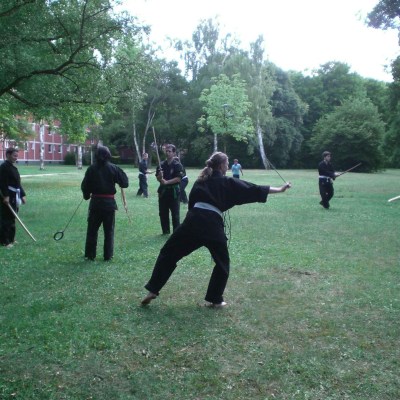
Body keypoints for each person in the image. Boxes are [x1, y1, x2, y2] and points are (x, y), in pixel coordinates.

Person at [141, 151, 291, 308]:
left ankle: (153, 290)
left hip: (193, 221)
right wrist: (280, 189)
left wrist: (192, 224)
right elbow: (253, 189)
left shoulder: (200, 181)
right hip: (212, 225)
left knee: (168, 253)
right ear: (221, 166)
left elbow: (192, 204)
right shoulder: (227, 182)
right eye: (227, 164)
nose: (228, 167)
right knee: (222, 263)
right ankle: (215, 299)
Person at [81, 146, 129, 261]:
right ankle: (108, 255)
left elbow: (85, 186)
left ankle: (90, 254)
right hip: (109, 205)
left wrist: (86, 195)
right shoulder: (113, 168)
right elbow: (125, 183)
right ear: (108, 155)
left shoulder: (91, 169)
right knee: (109, 231)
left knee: (92, 230)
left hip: (96, 204)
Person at [0, 148, 27, 248]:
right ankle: (5, 241)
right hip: (8, 196)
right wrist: (6, 196)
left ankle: (11, 239)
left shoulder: (12, 167)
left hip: (14, 196)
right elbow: (3, 183)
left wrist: (22, 195)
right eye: (14, 155)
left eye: (17, 156)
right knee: (6, 219)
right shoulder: (4, 167)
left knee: (12, 218)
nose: (16, 158)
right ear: (8, 155)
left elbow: (17, 183)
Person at [156, 144, 184, 234]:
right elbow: (158, 178)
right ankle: (165, 231)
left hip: (174, 192)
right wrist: (160, 177)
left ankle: (176, 232)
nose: (167, 153)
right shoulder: (161, 165)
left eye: (169, 151)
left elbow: (178, 178)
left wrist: (167, 182)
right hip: (163, 192)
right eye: (166, 151)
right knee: (163, 212)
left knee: (175, 213)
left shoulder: (177, 165)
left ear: (174, 153)